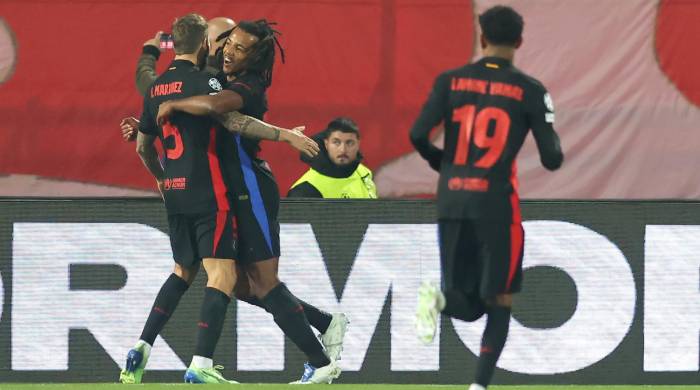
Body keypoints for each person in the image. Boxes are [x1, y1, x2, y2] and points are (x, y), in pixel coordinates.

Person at [156, 20, 344, 384]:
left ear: (254, 57)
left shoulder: (250, 85)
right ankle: (325, 323)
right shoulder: (215, 74)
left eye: (239, 48)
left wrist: (174, 103)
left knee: (264, 281)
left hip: (250, 187)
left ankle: (321, 362)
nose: (229, 51)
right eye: (229, 43)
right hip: (224, 192)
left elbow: (218, 109)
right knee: (238, 284)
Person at [410, 5, 563, 390]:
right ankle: (479, 386)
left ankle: (440, 300)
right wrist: (544, 120)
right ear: (519, 42)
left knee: (466, 301)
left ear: (481, 39)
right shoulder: (530, 90)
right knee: (499, 299)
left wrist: (443, 165)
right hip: (496, 205)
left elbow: (417, 134)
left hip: (452, 200)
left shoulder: (451, 81)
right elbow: (552, 159)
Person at [119, 13, 242, 384]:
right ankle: (201, 364)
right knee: (222, 273)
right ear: (205, 43)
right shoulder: (210, 81)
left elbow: (143, 147)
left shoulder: (156, 89)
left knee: (182, 271)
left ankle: (141, 346)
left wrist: (161, 179)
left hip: (174, 191)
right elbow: (234, 118)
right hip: (209, 188)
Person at [135, 17, 235, 97]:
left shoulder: (198, 76)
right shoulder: (241, 78)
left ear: (206, 42)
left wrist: (150, 52)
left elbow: (147, 84)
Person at [287, 117, 377, 198]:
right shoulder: (305, 191)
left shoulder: (364, 173)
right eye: (336, 142)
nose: (343, 150)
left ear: (358, 144)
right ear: (326, 144)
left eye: (349, 143)